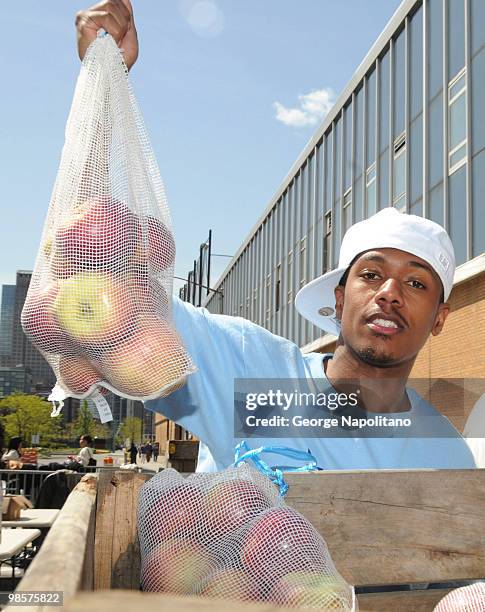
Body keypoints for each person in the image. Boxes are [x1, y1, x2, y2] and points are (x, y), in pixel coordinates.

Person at [75, 3, 475, 472]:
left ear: (441, 318)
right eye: (371, 274)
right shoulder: (255, 376)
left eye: (416, 283)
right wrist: (104, 86)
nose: (389, 293)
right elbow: (95, 275)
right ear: (341, 296)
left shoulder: (444, 454)